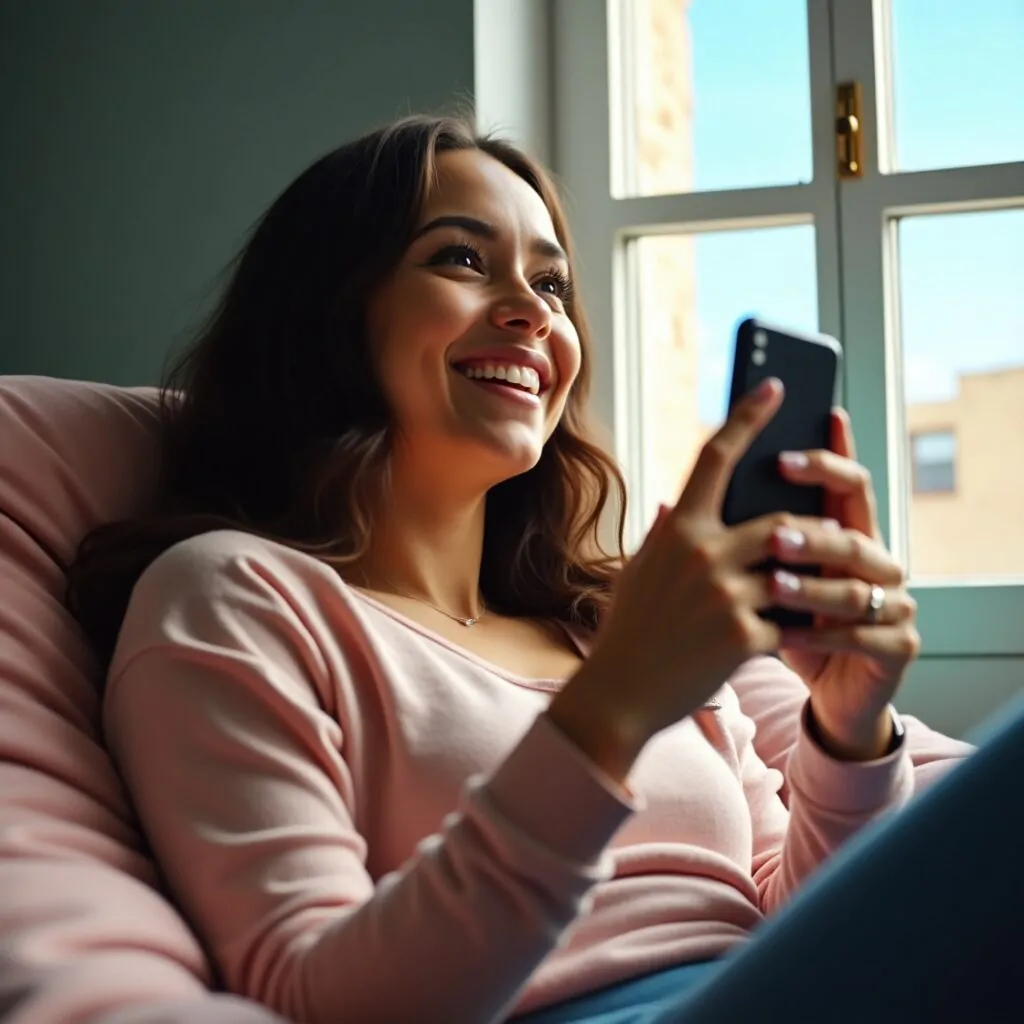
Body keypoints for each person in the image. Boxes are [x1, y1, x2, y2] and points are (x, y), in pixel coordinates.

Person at [67, 115, 1016, 1024]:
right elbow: (313, 997)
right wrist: (611, 709)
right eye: (462, 259)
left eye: (553, 285)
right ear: (329, 312)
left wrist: (848, 734)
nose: (530, 311)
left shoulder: (608, 621)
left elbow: (799, 922)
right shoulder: (232, 595)